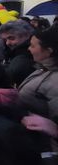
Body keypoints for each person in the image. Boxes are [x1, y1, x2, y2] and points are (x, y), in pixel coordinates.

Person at [18, 27, 58, 157]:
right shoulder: (43, 68)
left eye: (32, 46)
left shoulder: (55, 81)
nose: (29, 49)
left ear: (48, 51)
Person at [0, 20, 35, 86]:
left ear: (26, 35)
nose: (7, 43)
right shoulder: (13, 52)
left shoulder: (28, 55)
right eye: (5, 40)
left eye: (11, 38)